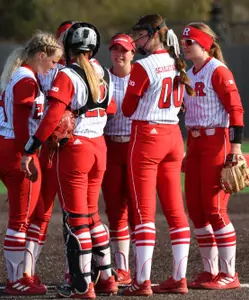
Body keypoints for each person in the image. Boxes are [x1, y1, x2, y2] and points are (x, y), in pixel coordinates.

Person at [20, 22, 118, 299]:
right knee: (93, 216)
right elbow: (111, 107)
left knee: (76, 221)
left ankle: (81, 286)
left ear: (68, 48)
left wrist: (31, 147)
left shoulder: (67, 74)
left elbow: (53, 116)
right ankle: (107, 278)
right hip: (100, 148)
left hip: (76, 150)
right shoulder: (104, 73)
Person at [120, 14, 194, 296]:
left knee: (143, 213)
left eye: (140, 34)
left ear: (154, 34)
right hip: (174, 137)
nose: (136, 39)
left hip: (147, 137)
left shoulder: (143, 66)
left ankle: (142, 281)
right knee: (176, 212)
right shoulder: (177, 62)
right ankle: (179, 278)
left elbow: (127, 109)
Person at [0, 31, 63, 295]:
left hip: (5, 147)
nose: (54, 67)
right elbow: (22, 126)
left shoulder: (21, 74)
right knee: (20, 220)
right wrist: (27, 155)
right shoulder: (26, 80)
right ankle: (15, 280)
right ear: (41, 55)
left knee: (32, 212)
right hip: (15, 150)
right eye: (53, 61)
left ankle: (23, 274)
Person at [180, 22, 245, 290]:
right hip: (194, 143)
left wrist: (235, 148)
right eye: (184, 42)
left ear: (204, 44)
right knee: (196, 210)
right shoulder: (186, 72)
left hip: (216, 141)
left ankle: (230, 274)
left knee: (215, 209)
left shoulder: (218, 70)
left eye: (190, 42)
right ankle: (210, 271)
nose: (185, 46)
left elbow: (236, 109)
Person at [35, 20, 76, 286]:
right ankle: (26, 272)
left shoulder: (86, 71)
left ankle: (75, 271)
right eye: (63, 38)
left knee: (76, 214)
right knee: (42, 212)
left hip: (74, 149)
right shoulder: (45, 71)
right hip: (49, 148)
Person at [101, 33, 136, 285]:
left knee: (139, 211)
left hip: (137, 148)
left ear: (133, 53)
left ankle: (141, 269)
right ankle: (122, 268)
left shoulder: (142, 76)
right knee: (115, 210)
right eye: (115, 49)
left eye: (124, 50)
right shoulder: (103, 76)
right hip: (110, 146)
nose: (119, 54)